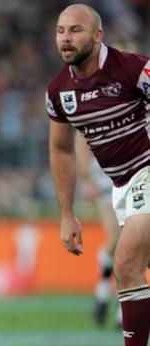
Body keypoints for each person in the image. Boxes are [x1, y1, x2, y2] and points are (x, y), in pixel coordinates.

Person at [47, 4, 150, 346]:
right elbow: (61, 149)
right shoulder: (59, 91)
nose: (66, 38)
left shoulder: (134, 68)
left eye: (75, 30)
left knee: (126, 261)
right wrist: (66, 213)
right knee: (133, 266)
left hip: (147, 171)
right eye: (61, 31)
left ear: (97, 35)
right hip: (120, 185)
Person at [75, 135, 121, 327]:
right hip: (106, 171)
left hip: (138, 167)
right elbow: (81, 138)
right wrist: (87, 178)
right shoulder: (95, 106)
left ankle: (115, 302)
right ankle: (107, 294)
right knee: (118, 237)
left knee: (134, 240)